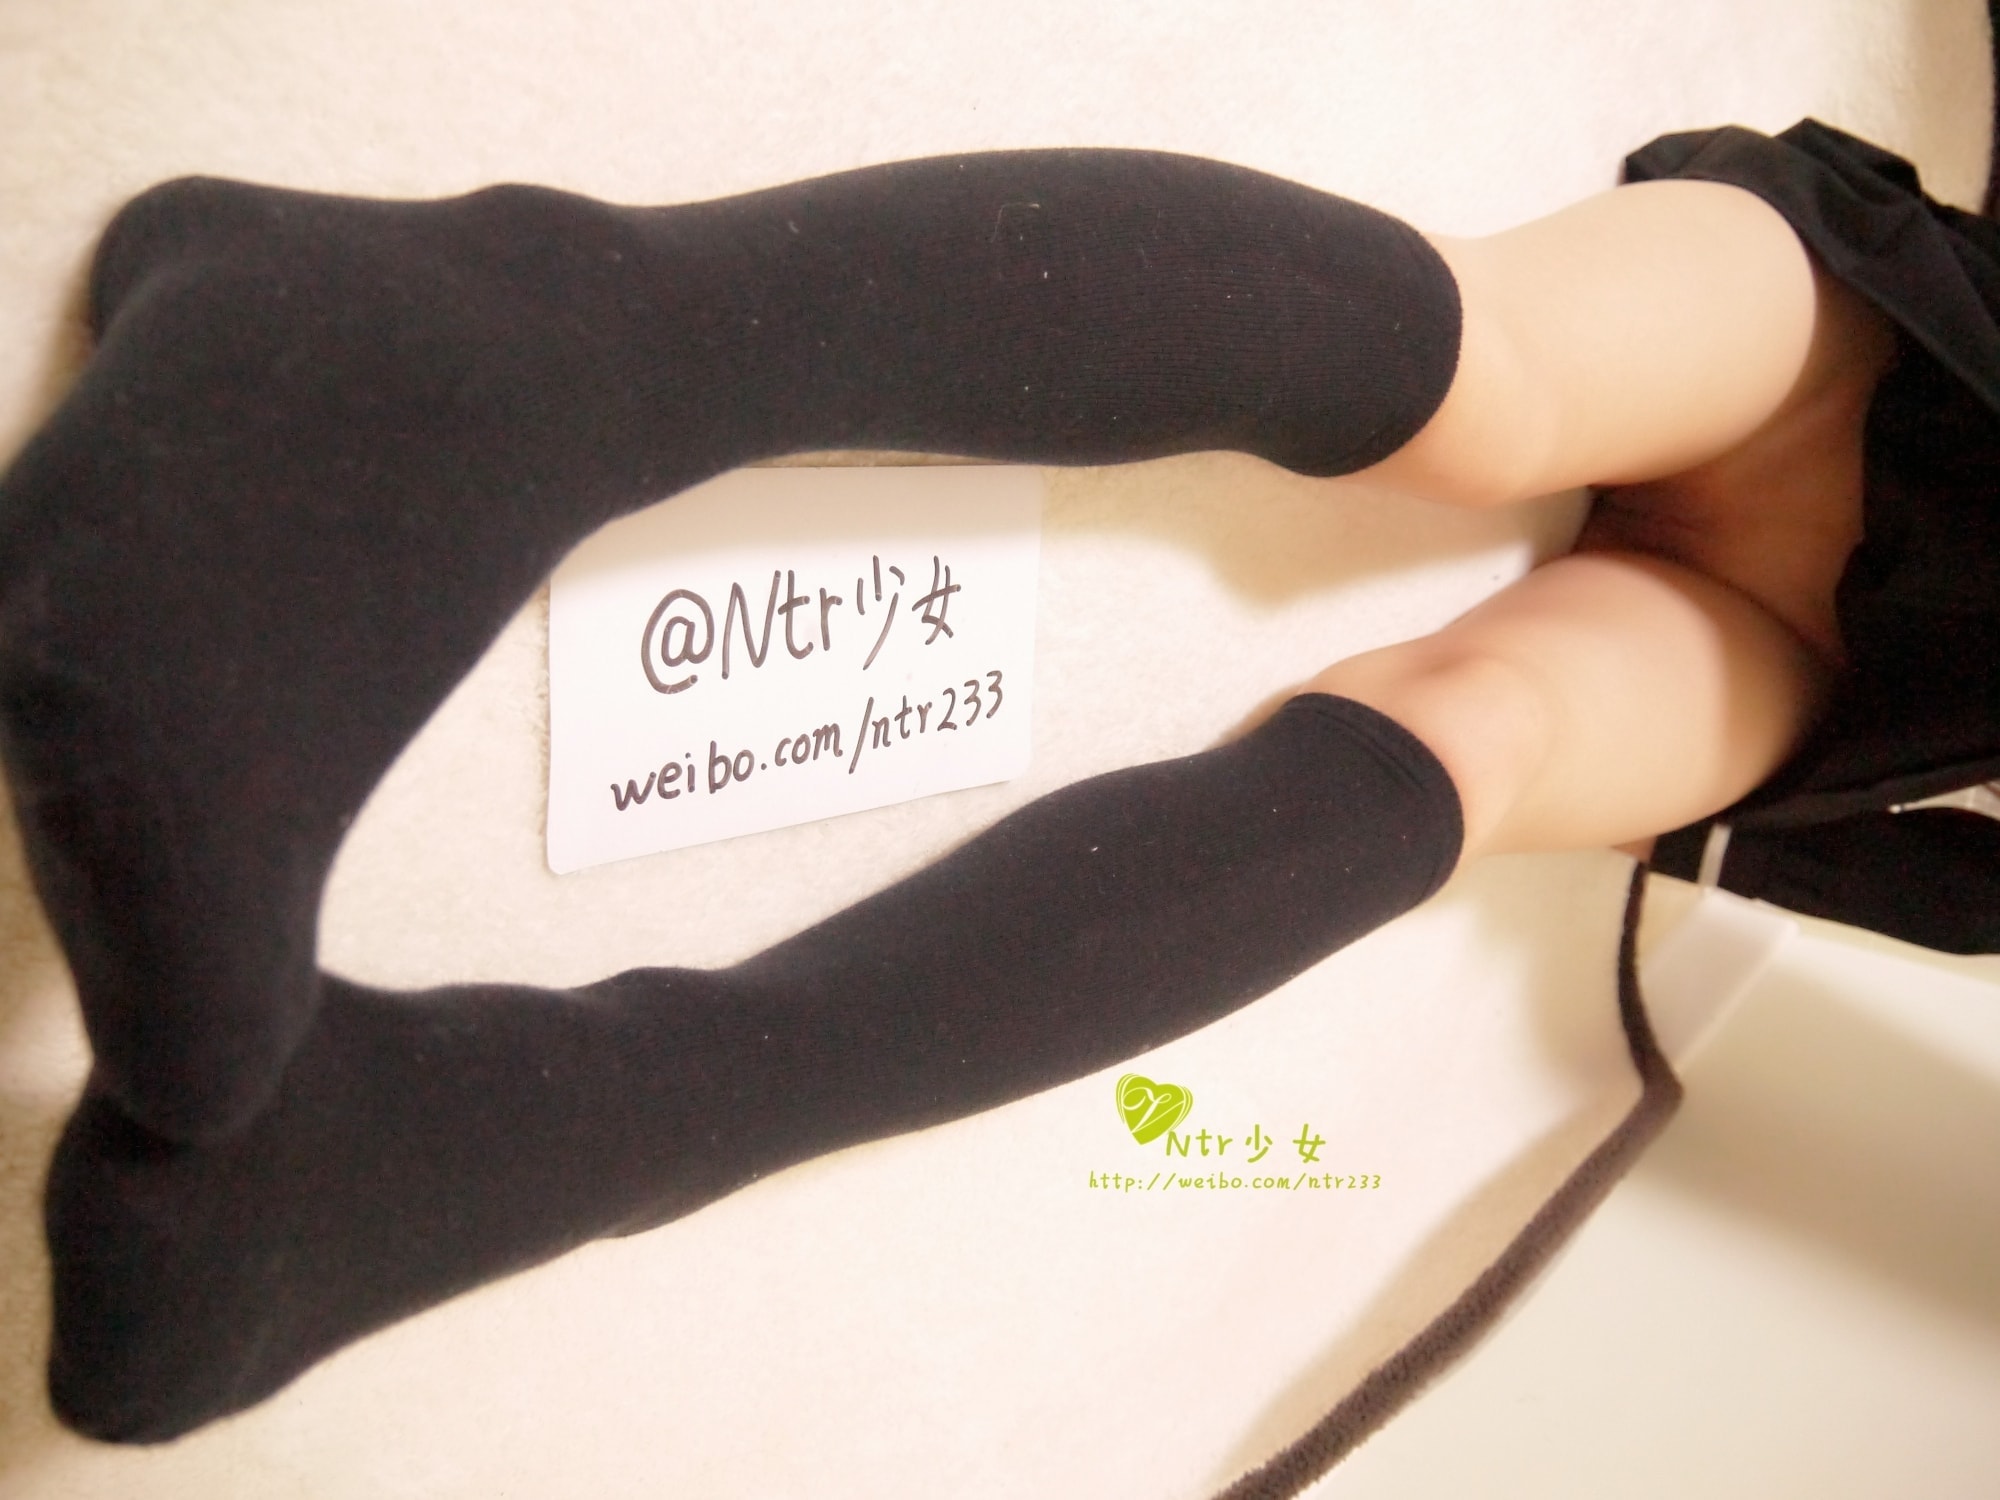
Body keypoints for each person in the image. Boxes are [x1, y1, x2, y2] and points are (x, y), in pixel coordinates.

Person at [3, 119, 1989, 1446]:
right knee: (1500, 375)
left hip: (1884, 715)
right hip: (1930, 357)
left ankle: (452, 1140)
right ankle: (433, 352)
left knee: (1468, 757)